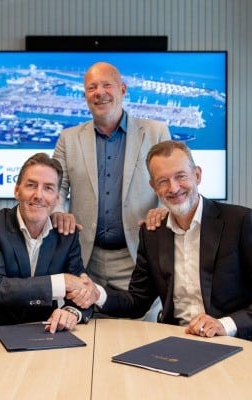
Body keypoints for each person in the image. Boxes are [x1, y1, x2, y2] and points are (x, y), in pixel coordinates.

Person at [83, 140, 252, 346]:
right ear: (153, 187)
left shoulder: (240, 222)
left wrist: (225, 325)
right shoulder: (152, 234)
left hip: (238, 344)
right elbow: (137, 302)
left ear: (197, 175)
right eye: (163, 181)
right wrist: (97, 294)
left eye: (181, 176)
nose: (174, 188)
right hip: (177, 344)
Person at [51, 62, 171, 313]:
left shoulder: (155, 133)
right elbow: (57, 186)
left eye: (107, 85)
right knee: (85, 334)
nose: (99, 92)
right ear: (84, 95)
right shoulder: (68, 138)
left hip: (136, 258)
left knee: (140, 337)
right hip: (86, 258)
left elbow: (170, 182)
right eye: (91, 87)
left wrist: (164, 209)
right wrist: (58, 211)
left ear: (123, 89)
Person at [0, 153, 94, 337]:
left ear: (57, 199)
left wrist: (71, 312)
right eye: (31, 185)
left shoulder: (66, 236)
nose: (38, 195)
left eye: (48, 188)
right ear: (17, 191)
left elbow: (83, 292)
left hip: (38, 337)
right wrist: (59, 282)